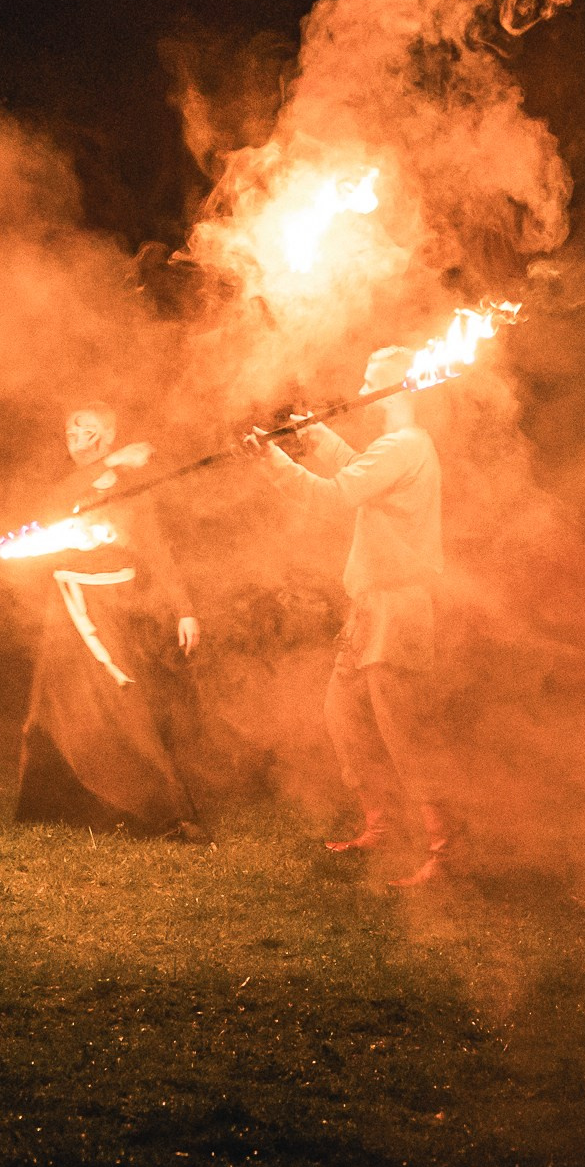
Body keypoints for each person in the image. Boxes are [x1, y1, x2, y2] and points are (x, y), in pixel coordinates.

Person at [248, 346, 455, 886]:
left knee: (401, 729)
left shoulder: (404, 444)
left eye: (371, 382)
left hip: (397, 606)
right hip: (372, 605)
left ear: (397, 388)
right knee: (345, 716)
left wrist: (273, 461)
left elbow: (335, 496)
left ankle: (445, 850)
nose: (362, 392)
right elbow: (361, 473)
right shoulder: (400, 447)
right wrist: (315, 435)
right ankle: (380, 828)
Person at [11, 403, 208, 840]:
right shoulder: (69, 484)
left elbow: (156, 548)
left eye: (91, 433)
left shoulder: (133, 487)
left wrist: (185, 609)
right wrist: (109, 461)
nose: (80, 442)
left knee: (122, 706)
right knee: (55, 707)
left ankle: (161, 810)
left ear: (111, 434)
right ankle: (55, 805)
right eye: (71, 434)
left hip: (114, 606)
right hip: (66, 606)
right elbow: (51, 511)